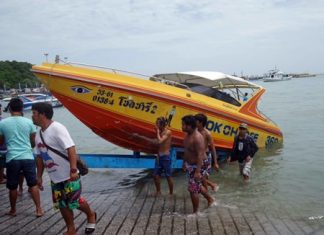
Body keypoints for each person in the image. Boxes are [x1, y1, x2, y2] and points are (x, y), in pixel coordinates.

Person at [32, 102, 96, 235]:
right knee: (62, 203)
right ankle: (71, 228)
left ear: (42, 115)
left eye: (34, 113)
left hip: (69, 174)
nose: (32, 116)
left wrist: (73, 170)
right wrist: (39, 176)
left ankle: (90, 215)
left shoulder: (57, 128)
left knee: (75, 201)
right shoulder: (38, 133)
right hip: (55, 177)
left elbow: (71, 148)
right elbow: (39, 157)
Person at [0, 98, 43, 217]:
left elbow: (1, 141)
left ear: (9, 108)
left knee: (12, 186)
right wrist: (27, 146)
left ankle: (13, 210)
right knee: (33, 184)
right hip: (28, 157)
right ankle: (39, 209)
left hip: (12, 158)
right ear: (22, 108)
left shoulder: (3, 123)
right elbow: (33, 141)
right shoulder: (29, 122)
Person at [182, 115, 214, 214]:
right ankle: (210, 199)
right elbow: (187, 151)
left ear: (190, 126)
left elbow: (200, 155)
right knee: (197, 186)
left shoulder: (197, 138)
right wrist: (184, 163)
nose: (182, 127)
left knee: (193, 189)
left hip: (200, 165)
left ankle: (195, 212)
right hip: (191, 164)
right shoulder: (188, 135)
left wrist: (197, 171)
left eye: (183, 125)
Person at [133, 117, 174, 196]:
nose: (156, 125)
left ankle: (171, 193)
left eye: (157, 124)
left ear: (161, 125)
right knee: (155, 175)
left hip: (165, 157)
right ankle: (158, 192)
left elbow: (160, 141)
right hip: (159, 156)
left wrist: (157, 132)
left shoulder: (168, 132)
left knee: (168, 176)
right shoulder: (162, 130)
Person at [194, 113, 219, 191]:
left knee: (202, 177)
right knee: (199, 177)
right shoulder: (195, 131)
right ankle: (211, 186)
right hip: (197, 156)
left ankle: (207, 193)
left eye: (196, 121)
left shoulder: (207, 133)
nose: (194, 122)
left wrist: (215, 163)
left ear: (201, 123)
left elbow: (213, 148)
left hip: (205, 157)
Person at [0, 103, 7, 184]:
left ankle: (2, 175)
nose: (1, 109)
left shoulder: (2, 119)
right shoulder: (2, 121)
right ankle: (1, 179)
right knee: (1, 163)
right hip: (1, 147)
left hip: (3, 146)